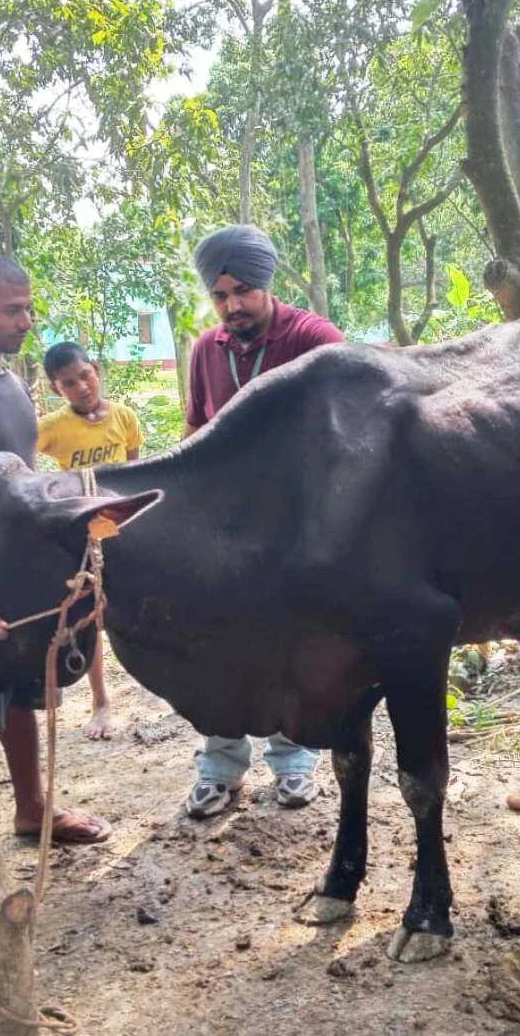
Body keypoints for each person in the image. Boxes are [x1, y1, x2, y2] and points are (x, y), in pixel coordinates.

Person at [0, 255, 112, 923]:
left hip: (19, 581)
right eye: (12, 310)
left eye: (29, 307)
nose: (25, 321)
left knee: (20, 699)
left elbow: (22, 478)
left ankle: (33, 808)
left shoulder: (12, 386)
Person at [184, 223, 344, 819]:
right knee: (222, 642)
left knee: (292, 641)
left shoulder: (314, 339)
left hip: (297, 526)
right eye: (220, 296)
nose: (232, 307)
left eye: (242, 292)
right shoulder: (207, 350)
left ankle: (294, 760)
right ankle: (220, 765)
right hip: (228, 528)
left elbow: (346, 433)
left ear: (266, 284)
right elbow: (197, 429)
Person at [38, 340, 143, 740]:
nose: (82, 386)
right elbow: (18, 453)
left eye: (85, 375)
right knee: (90, 615)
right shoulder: (52, 428)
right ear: (56, 389)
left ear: (95, 369)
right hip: (81, 533)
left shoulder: (125, 417)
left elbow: (135, 471)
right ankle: (101, 701)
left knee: (129, 604)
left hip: (120, 527)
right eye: (69, 383)